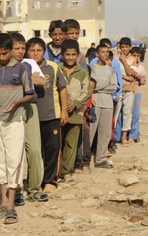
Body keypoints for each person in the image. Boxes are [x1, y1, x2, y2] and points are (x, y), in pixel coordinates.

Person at [0, 33, 35, 225]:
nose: (2, 58)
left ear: (11, 51)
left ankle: (11, 205)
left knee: (14, 161)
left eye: (5, 53)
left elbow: (30, 94)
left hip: (15, 121)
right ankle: (2, 202)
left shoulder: (21, 69)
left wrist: (16, 103)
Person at [27, 37, 68, 194]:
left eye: (39, 50)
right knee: (34, 151)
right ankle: (34, 180)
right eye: (32, 50)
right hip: (30, 116)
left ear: (44, 52)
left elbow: (62, 89)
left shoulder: (53, 67)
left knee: (52, 149)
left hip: (51, 116)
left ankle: (50, 180)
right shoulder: (23, 68)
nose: (35, 53)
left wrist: (63, 111)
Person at [11, 32, 48, 204]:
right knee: (15, 152)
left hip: (30, 107)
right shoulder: (4, 66)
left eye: (22, 48)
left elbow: (41, 81)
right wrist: (27, 78)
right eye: (16, 48)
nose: (20, 51)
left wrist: (19, 80)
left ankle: (34, 188)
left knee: (34, 150)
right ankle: (16, 190)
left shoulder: (29, 63)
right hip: (12, 110)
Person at [58, 39, 92, 181]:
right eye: (67, 54)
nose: (70, 57)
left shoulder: (82, 73)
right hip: (58, 113)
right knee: (58, 143)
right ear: (62, 55)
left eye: (73, 54)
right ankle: (56, 171)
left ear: (78, 55)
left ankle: (66, 172)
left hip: (76, 114)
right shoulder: (57, 70)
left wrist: (77, 103)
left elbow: (87, 91)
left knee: (71, 144)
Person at [88, 45, 118, 169]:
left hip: (107, 103)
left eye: (107, 52)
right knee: (90, 132)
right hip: (95, 101)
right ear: (97, 54)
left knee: (105, 133)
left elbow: (114, 87)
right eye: (102, 52)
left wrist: (98, 86)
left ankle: (100, 159)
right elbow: (90, 86)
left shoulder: (111, 70)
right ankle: (84, 159)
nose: (105, 54)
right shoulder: (91, 68)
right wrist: (102, 86)